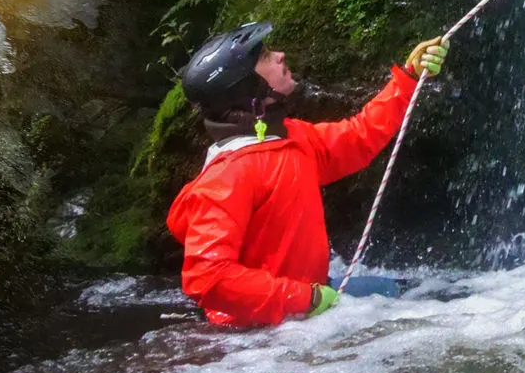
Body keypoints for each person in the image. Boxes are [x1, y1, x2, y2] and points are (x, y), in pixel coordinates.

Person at [165, 21, 450, 328]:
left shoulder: (291, 138)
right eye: (265, 57)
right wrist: (306, 299)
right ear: (247, 89)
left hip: (307, 302)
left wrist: (407, 78)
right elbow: (208, 278)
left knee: (423, 297)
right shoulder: (226, 177)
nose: (280, 56)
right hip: (255, 334)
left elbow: (359, 137)